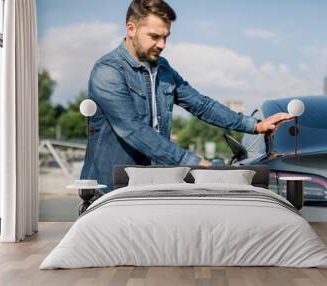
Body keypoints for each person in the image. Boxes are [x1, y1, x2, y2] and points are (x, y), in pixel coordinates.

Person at [80, 0, 293, 193]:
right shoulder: (108, 71)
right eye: (155, 37)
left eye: (166, 37)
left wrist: (255, 125)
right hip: (110, 190)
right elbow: (133, 129)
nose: (162, 45)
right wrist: (192, 163)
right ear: (131, 29)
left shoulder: (163, 69)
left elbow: (202, 105)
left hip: (153, 185)